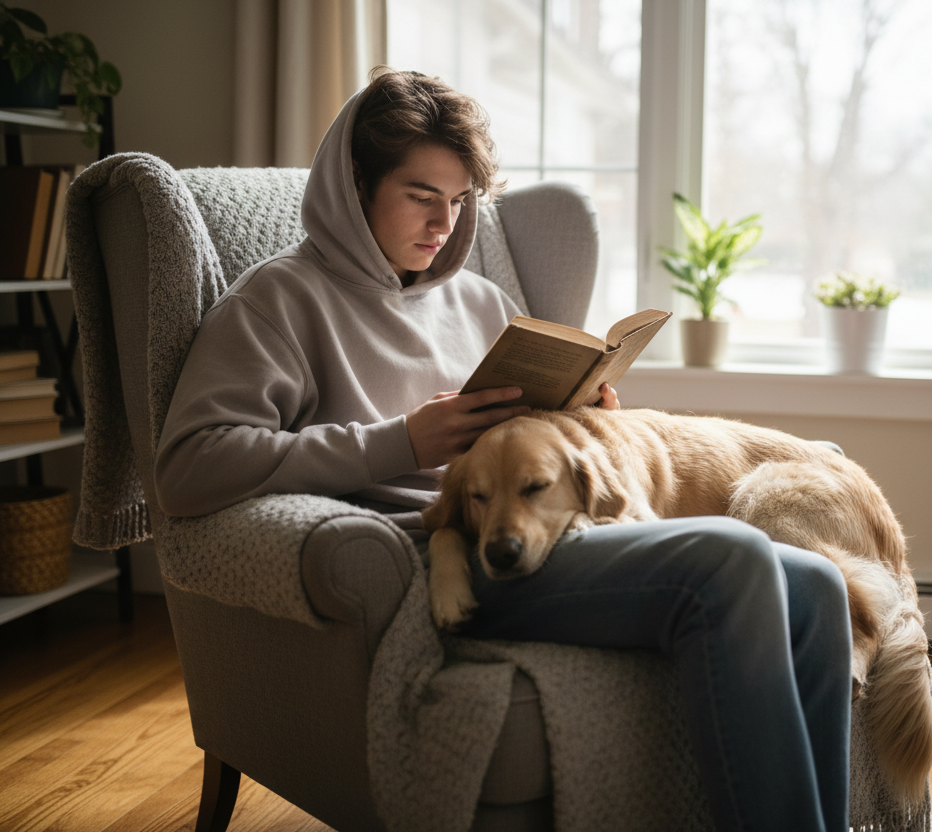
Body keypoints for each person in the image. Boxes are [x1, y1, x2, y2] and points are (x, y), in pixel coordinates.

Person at [154, 68, 853, 832]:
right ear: (355, 185)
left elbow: (526, 438)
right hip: (435, 555)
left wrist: (580, 413)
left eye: (458, 203)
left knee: (815, 585)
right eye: (422, 196)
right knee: (731, 557)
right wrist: (398, 443)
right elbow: (190, 469)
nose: (444, 225)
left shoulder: (479, 299)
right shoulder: (276, 302)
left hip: (549, 532)